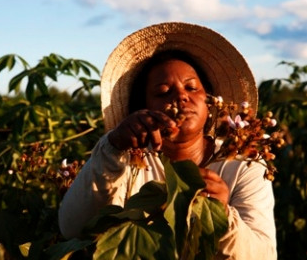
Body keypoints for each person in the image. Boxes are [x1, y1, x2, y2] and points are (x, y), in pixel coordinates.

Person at [58, 22, 277, 259]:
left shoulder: (243, 166)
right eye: (163, 92)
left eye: (191, 87)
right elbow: (73, 228)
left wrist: (222, 214)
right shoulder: (126, 160)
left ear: (210, 101)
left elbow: (264, 254)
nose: (181, 96)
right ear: (143, 109)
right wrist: (114, 146)